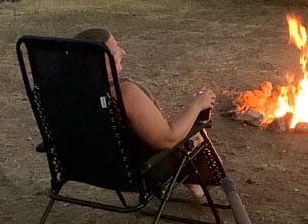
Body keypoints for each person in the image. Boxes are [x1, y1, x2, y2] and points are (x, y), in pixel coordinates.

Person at [74, 28, 218, 198]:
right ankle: (199, 183)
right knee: (196, 135)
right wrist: (197, 105)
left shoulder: (68, 92)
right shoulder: (123, 93)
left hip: (83, 167)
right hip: (136, 173)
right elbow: (167, 139)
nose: (123, 52)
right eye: (114, 50)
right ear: (96, 61)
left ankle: (195, 185)